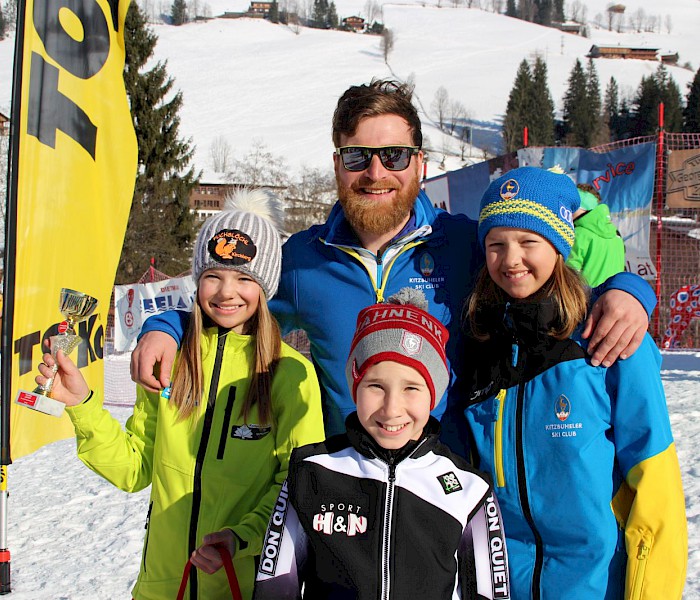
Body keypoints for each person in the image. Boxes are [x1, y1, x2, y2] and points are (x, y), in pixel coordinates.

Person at [130, 79, 655, 441]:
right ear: (337, 165)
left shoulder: (468, 244)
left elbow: (556, 268)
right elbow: (231, 303)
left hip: (448, 487)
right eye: (358, 156)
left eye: (394, 156)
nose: (376, 172)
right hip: (344, 493)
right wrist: (169, 326)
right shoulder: (302, 262)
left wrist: (630, 290)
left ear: (420, 163)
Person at [34, 189, 325, 600]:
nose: (227, 292)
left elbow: (296, 483)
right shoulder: (168, 360)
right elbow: (134, 467)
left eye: (244, 278)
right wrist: (82, 406)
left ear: (266, 287)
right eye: (213, 276)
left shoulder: (289, 372)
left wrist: (241, 538)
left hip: (242, 584)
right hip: (163, 586)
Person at [459, 167, 687, 599]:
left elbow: (657, 495)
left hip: (596, 586)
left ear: (560, 245)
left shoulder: (611, 340)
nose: (511, 259)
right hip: (501, 586)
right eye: (496, 244)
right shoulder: (478, 343)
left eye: (530, 242)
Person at [254, 288, 511, 599]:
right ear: (354, 387)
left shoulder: (469, 489)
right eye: (375, 386)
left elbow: (489, 592)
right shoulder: (310, 472)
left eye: (411, 388)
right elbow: (276, 583)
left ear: (435, 394)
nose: (391, 409)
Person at [566, 182, 626, 287]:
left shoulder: (579, 234)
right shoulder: (616, 234)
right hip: (610, 295)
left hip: (585, 298)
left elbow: (569, 274)